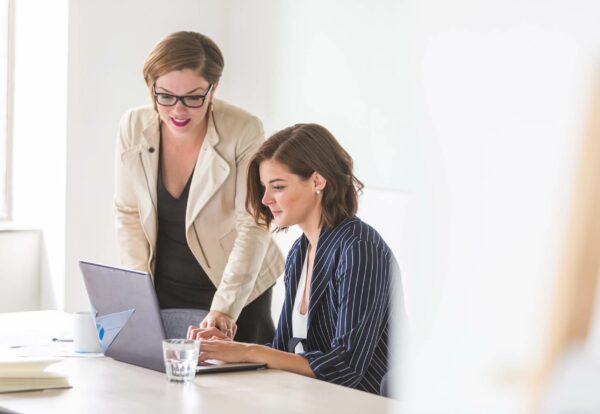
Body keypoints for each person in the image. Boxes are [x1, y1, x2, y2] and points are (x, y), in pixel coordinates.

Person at [188, 123, 398, 394]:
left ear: (317, 181)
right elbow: (283, 351)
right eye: (264, 187)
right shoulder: (301, 251)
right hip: (311, 399)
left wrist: (247, 350)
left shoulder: (359, 247)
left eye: (277, 186)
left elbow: (344, 368)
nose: (265, 199)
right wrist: (229, 349)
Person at [114, 31, 284, 343]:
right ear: (151, 88)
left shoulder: (243, 129)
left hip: (237, 289)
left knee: (238, 387)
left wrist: (224, 308)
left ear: (213, 88)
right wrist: (138, 292)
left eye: (193, 98)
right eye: (164, 96)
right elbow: (128, 213)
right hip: (164, 289)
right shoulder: (133, 126)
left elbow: (253, 222)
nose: (178, 111)